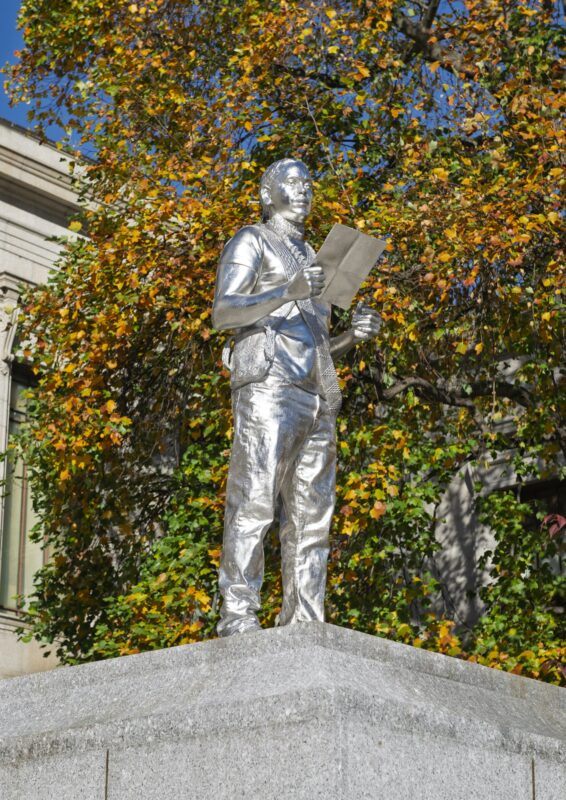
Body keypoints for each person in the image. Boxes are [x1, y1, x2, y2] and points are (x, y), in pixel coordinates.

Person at [212, 157, 381, 636]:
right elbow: (223, 312)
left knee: (312, 520)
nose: (304, 189)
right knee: (254, 502)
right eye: (291, 182)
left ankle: (305, 620)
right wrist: (289, 289)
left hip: (316, 396)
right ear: (268, 194)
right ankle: (239, 615)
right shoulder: (251, 240)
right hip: (268, 386)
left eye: (308, 182)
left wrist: (354, 336)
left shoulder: (318, 259)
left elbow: (319, 343)